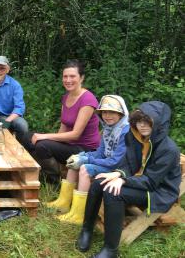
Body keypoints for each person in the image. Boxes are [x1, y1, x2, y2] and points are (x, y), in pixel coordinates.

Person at [76, 101, 180, 258]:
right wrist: (117, 174)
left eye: (147, 122)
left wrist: (124, 181)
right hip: (139, 181)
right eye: (139, 121)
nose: (142, 126)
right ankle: (87, 229)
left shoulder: (168, 149)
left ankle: (111, 250)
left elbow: (151, 181)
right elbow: (129, 163)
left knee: (113, 192)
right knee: (99, 182)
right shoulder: (137, 137)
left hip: (158, 191)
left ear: (159, 124)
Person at [46, 95, 130, 224]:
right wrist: (82, 156)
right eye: (105, 112)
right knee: (74, 164)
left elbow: (115, 161)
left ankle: (78, 214)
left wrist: (87, 161)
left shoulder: (125, 132)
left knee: (85, 168)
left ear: (121, 114)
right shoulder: (108, 129)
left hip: (119, 169)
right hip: (108, 163)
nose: (108, 116)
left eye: (112, 112)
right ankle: (63, 202)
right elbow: (100, 153)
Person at [28, 60, 100, 183]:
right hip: (70, 145)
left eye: (72, 76)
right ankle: (37, 172)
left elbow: (75, 134)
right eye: (65, 76)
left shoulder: (87, 99)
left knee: (42, 144)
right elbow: (64, 127)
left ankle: (54, 181)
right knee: (27, 137)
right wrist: (51, 141)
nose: (68, 80)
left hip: (85, 150)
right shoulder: (66, 97)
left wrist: (44, 137)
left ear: (81, 78)